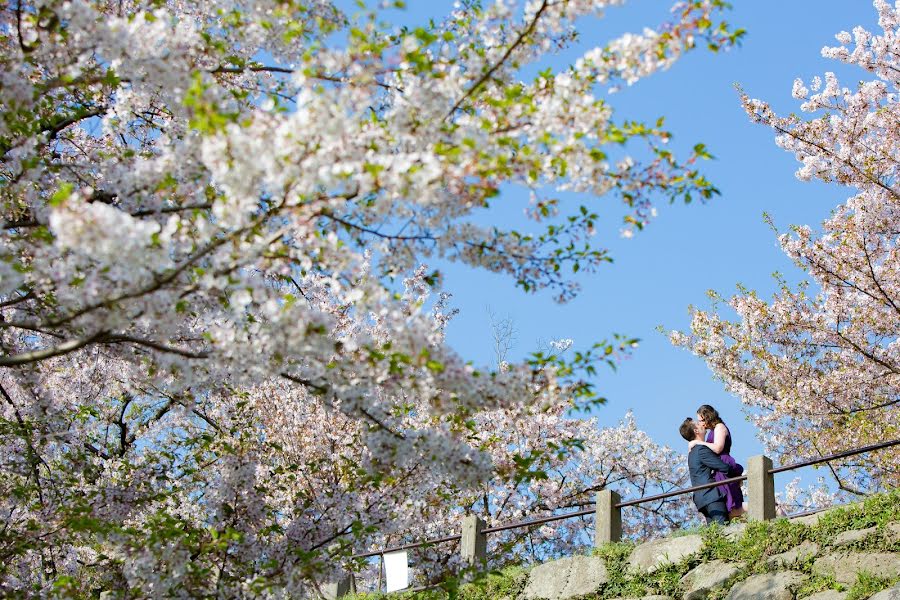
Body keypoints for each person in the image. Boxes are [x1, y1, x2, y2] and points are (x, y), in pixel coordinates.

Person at [679, 417, 742, 525]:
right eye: (698, 424)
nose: (702, 425)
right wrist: (739, 469)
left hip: (701, 499)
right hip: (711, 496)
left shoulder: (692, 453)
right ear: (696, 431)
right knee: (722, 530)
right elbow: (723, 467)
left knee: (714, 533)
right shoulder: (701, 450)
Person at [690, 404, 745, 519]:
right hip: (717, 467)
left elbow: (718, 447)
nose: (700, 423)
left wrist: (698, 443)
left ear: (708, 417)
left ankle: (773, 509)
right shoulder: (712, 431)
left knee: (732, 505)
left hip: (723, 464)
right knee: (727, 507)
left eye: (701, 420)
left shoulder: (720, 427)